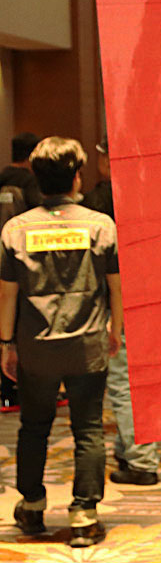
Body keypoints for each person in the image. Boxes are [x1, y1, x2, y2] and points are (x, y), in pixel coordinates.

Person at [0, 136, 123, 548]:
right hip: (87, 344)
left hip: (35, 348)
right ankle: (84, 514)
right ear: (76, 177)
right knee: (88, 428)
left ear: (37, 177)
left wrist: (6, 343)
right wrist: (115, 329)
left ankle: (32, 505)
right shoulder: (100, 226)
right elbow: (115, 286)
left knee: (34, 426)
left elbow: (7, 295)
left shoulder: (15, 230)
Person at [83, 136, 160, 485]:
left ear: (105, 160)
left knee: (123, 383)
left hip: (117, 301)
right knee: (139, 379)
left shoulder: (99, 201)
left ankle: (142, 460)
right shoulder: (148, 194)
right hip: (151, 295)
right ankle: (128, 451)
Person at [0, 132, 43, 411]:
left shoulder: (2, 177)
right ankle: (26, 388)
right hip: (25, 262)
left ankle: (6, 390)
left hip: (2, 257)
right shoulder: (30, 182)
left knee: (5, 321)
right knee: (26, 325)